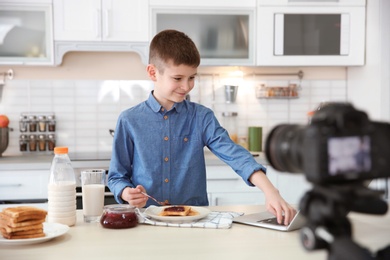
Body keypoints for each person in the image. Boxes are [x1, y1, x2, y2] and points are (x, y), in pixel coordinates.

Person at [108, 29, 296, 225]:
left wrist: (270, 191)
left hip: (195, 223)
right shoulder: (129, 120)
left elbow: (234, 154)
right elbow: (116, 176)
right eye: (178, 78)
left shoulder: (201, 117)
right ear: (153, 72)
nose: (187, 86)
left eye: (192, 78)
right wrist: (125, 192)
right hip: (146, 221)